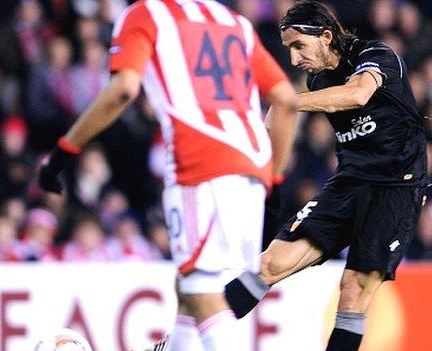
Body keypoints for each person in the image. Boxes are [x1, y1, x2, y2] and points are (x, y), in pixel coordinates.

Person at [37, 1, 298, 350]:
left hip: (199, 164)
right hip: (253, 169)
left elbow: (124, 90)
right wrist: (275, 180)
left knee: (203, 294)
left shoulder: (144, 15)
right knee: (190, 288)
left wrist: (64, 151)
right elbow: (286, 101)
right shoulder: (232, 21)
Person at [223, 1, 428, 350]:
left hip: (396, 187)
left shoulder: (377, 54)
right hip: (348, 182)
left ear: (326, 36)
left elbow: (358, 94)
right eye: (289, 48)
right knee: (270, 264)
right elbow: (277, 121)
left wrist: (289, 101)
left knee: (353, 288)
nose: (293, 58)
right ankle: (180, 338)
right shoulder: (318, 79)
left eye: (299, 45)